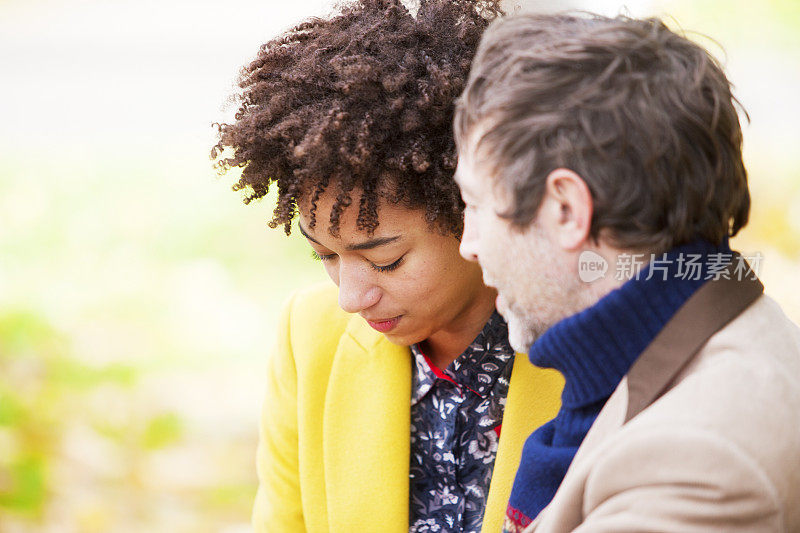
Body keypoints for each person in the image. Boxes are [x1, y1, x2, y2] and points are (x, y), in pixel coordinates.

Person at [211, 1, 565, 531]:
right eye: (325, 255)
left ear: (477, 208)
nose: (350, 298)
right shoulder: (310, 338)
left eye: (386, 259)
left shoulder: (587, 341)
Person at [453, 11, 800, 533]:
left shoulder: (701, 457)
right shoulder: (684, 351)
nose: (468, 246)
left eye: (477, 204)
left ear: (567, 210)